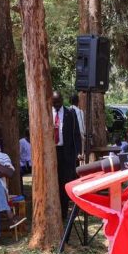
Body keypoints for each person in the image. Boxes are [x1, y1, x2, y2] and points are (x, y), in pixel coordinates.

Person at [52, 91, 83, 220]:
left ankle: (63, 213)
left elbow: (76, 134)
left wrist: (77, 153)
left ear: (62, 100)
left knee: (64, 183)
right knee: (53, 182)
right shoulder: (47, 112)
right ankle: (52, 211)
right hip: (52, 152)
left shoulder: (70, 113)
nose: (56, 105)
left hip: (66, 153)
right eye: (54, 103)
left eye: (58, 102)